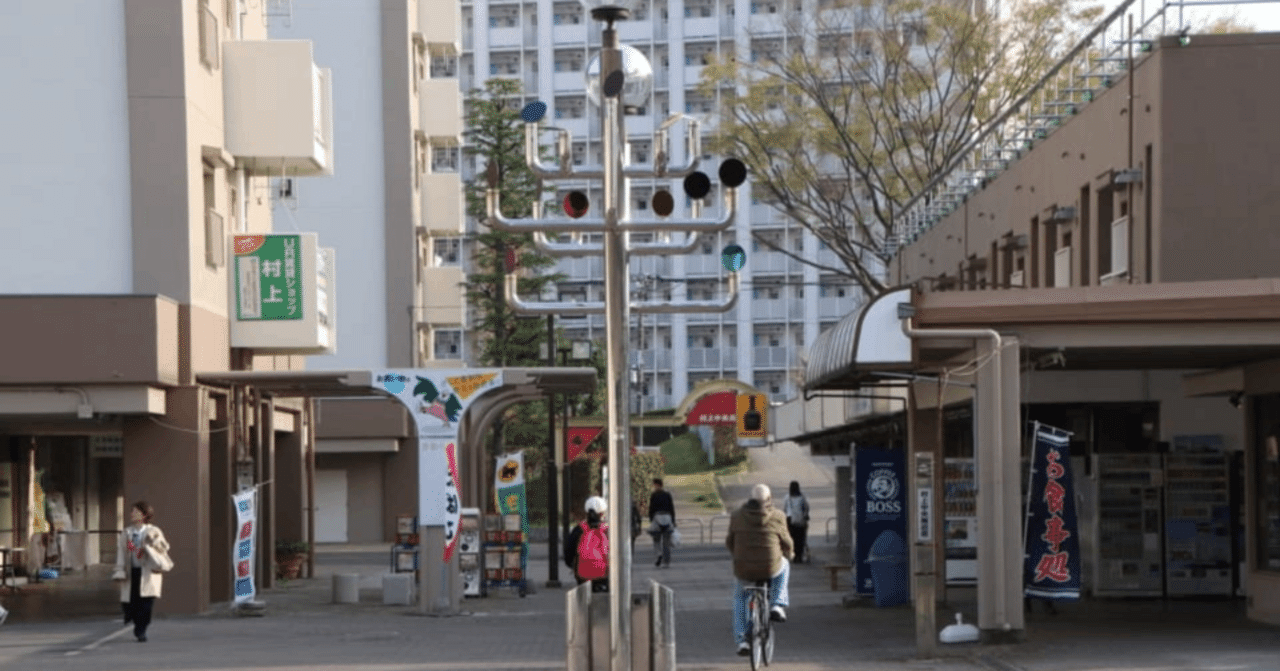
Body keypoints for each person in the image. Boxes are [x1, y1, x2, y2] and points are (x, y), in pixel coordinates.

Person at [725, 484, 793, 656]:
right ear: (769, 499)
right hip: (770, 567)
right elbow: (787, 542)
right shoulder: (778, 516)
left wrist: (736, 555)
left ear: (751, 499)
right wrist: (790, 553)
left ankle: (742, 640)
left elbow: (730, 541)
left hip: (744, 568)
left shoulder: (737, 516)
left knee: (740, 599)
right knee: (785, 564)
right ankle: (777, 604)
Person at [113, 501, 171, 642]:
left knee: (146, 604)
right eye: (132, 511)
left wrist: (152, 542)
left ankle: (141, 630)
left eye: (136, 511)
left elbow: (164, 547)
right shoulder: (127, 532)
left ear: (144, 515)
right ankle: (132, 619)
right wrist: (119, 569)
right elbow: (121, 552)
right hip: (132, 572)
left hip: (148, 573)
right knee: (130, 602)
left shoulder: (153, 530)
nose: (132, 514)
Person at [564, 496, 609, 592]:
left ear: (586, 512)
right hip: (604, 576)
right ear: (602, 513)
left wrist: (573, 565)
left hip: (582, 576)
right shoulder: (607, 530)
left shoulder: (578, 529)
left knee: (583, 597)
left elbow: (568, 553)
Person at [647, 478, 676, 567]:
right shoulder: (667, 495)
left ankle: (658, 554)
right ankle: (666, 561)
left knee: (656, 540)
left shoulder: (654, 495)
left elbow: (651, 508)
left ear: (657, 485)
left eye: (654, 485)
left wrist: (651, 519)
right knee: (666, 542)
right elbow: (671, 508)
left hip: (657, 518)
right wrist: (673, 520)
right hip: (667, 518)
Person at [782, 481, 810, 564]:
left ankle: (793, 555)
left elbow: (785, 509)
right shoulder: (802, 497)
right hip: (801, 521)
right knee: (801, 539)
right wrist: (806, 516)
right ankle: (799, 556)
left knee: (792, 538)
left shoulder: (787, 497)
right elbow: (806, 508)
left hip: (790, 521)